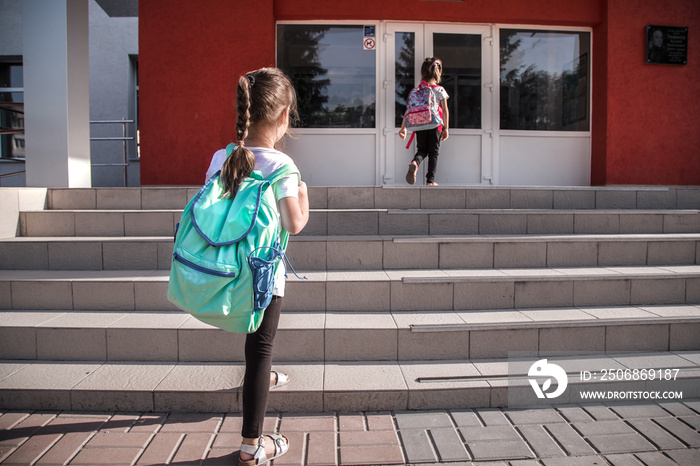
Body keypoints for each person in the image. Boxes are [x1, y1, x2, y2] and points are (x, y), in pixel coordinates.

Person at [206, 67, 309, 466]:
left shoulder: (222, 156)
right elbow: (293, 224)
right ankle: (252, 446)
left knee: (256, 352)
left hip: (224, 269)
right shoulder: (282, 165)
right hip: (263, 276)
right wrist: (304, 194)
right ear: (284, 117)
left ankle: (261, 380)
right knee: (261, 347)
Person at [399, 57, 450, 186]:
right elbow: (445, 110)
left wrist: (403, 128)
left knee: (422, 149)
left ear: (422, 73)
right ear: (437, 72)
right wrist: (446, 128)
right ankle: (430, 181)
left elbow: (409, 110)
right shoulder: (439, 90)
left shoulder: (418, 91)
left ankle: (415, 163)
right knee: (434, 152)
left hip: (420, 125)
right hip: (435, 125)